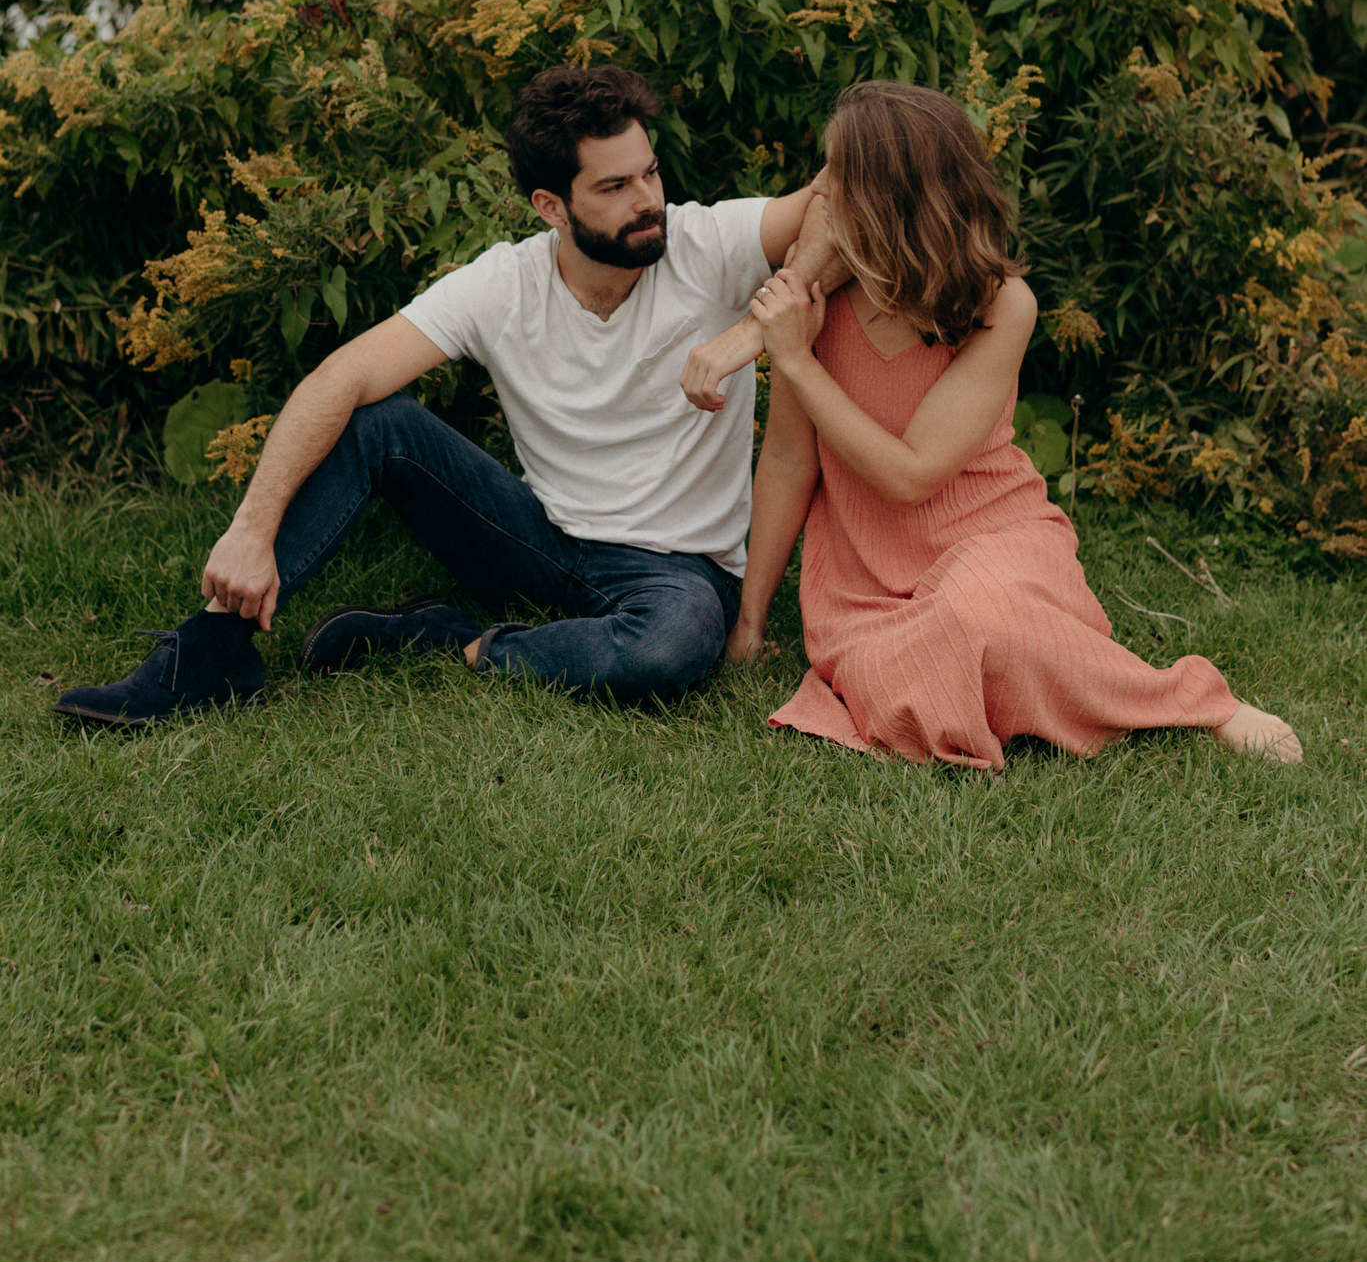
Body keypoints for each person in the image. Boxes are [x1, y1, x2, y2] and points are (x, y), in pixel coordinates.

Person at [55, 65, 830, 728]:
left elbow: (847, 193)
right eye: (615, 185)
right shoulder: (504, 283)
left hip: (676, 573)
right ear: (550, 207)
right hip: (539, 540)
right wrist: (251, 531)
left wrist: (745, 338)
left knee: (672, 644)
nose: (648, 199)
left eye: (651, 172)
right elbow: (340, 377)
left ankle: (451, 642)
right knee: (378, 421)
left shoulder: (710, 243)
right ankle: (211, 650)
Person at [726, 81, 1302, 770]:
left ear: (890, 198)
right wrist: (749, 626)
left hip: (991, 537)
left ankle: (1195, 701)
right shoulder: (816, 300)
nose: (817, 190)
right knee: (893, 684)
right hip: (862, 582)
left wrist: (794, 361)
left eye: (836, 174)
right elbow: (790, 461)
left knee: (985, 621)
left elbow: (910, 475)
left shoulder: (1001, 304)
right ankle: (1002, 669)